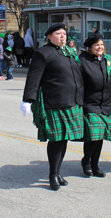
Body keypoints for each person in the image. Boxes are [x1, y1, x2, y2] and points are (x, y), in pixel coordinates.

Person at [21, 23, 84, 190]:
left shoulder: (69, 52)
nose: (62, 36)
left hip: (72, 101)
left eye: (64, 33)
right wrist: (28, 99)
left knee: (63, 139)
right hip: (54, 102)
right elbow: (33, 78)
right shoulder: (42, 53)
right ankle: (53, 174)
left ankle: (58, 171)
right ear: (49, 36)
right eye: (58, 33)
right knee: (56, 140)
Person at [79, 34, 111, 177]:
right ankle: (86, 161)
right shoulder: (83, 61)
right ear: (90, 48)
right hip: (90, 103)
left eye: (101, 45)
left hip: (106, 103)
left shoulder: (109, 60)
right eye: (96, 45)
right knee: (93, 136)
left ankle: (95, 164)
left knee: (100, 136)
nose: (100, 47)